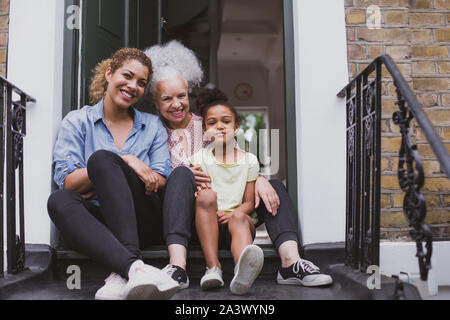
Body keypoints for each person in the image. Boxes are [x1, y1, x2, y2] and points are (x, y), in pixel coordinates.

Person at [146, 40, 333, 290]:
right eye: (166, 99)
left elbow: (238, 161)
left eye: (181, 96)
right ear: (155, 103)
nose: (176, 104)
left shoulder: (208, 127)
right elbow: (151, 179)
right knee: (181, 174)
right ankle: (178, 266)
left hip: (232, 218)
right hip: (190, 222)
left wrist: (261, 180)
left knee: (274, 185)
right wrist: (179, 177)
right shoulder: (150, 132)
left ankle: (291, 262)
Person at [47, 48, 179, 300]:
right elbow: (69, 184)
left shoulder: (152, 126)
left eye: (141, 83)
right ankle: (133, 268)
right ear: (109, 73)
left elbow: (160, 180)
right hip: (96, 225)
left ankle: (125, 265)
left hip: (142, 220)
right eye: (127, 76)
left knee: (101, 159)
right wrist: (126, 161)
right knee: (58, 200)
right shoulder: (77, 122)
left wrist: (107, 173)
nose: (133, 86)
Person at [192, 88, 264, 295]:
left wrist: (233, 213)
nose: (220, 127)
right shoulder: (200, 158)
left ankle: (242, 273)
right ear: (205, 130)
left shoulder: (249, 160)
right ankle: (213, 267)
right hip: (208, 225)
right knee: (205, 195)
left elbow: (249, 202)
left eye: (226, 121)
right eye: (212, 123)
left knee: (241, 218)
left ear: (236, 127)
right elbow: (195, 192)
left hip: (237, 223)